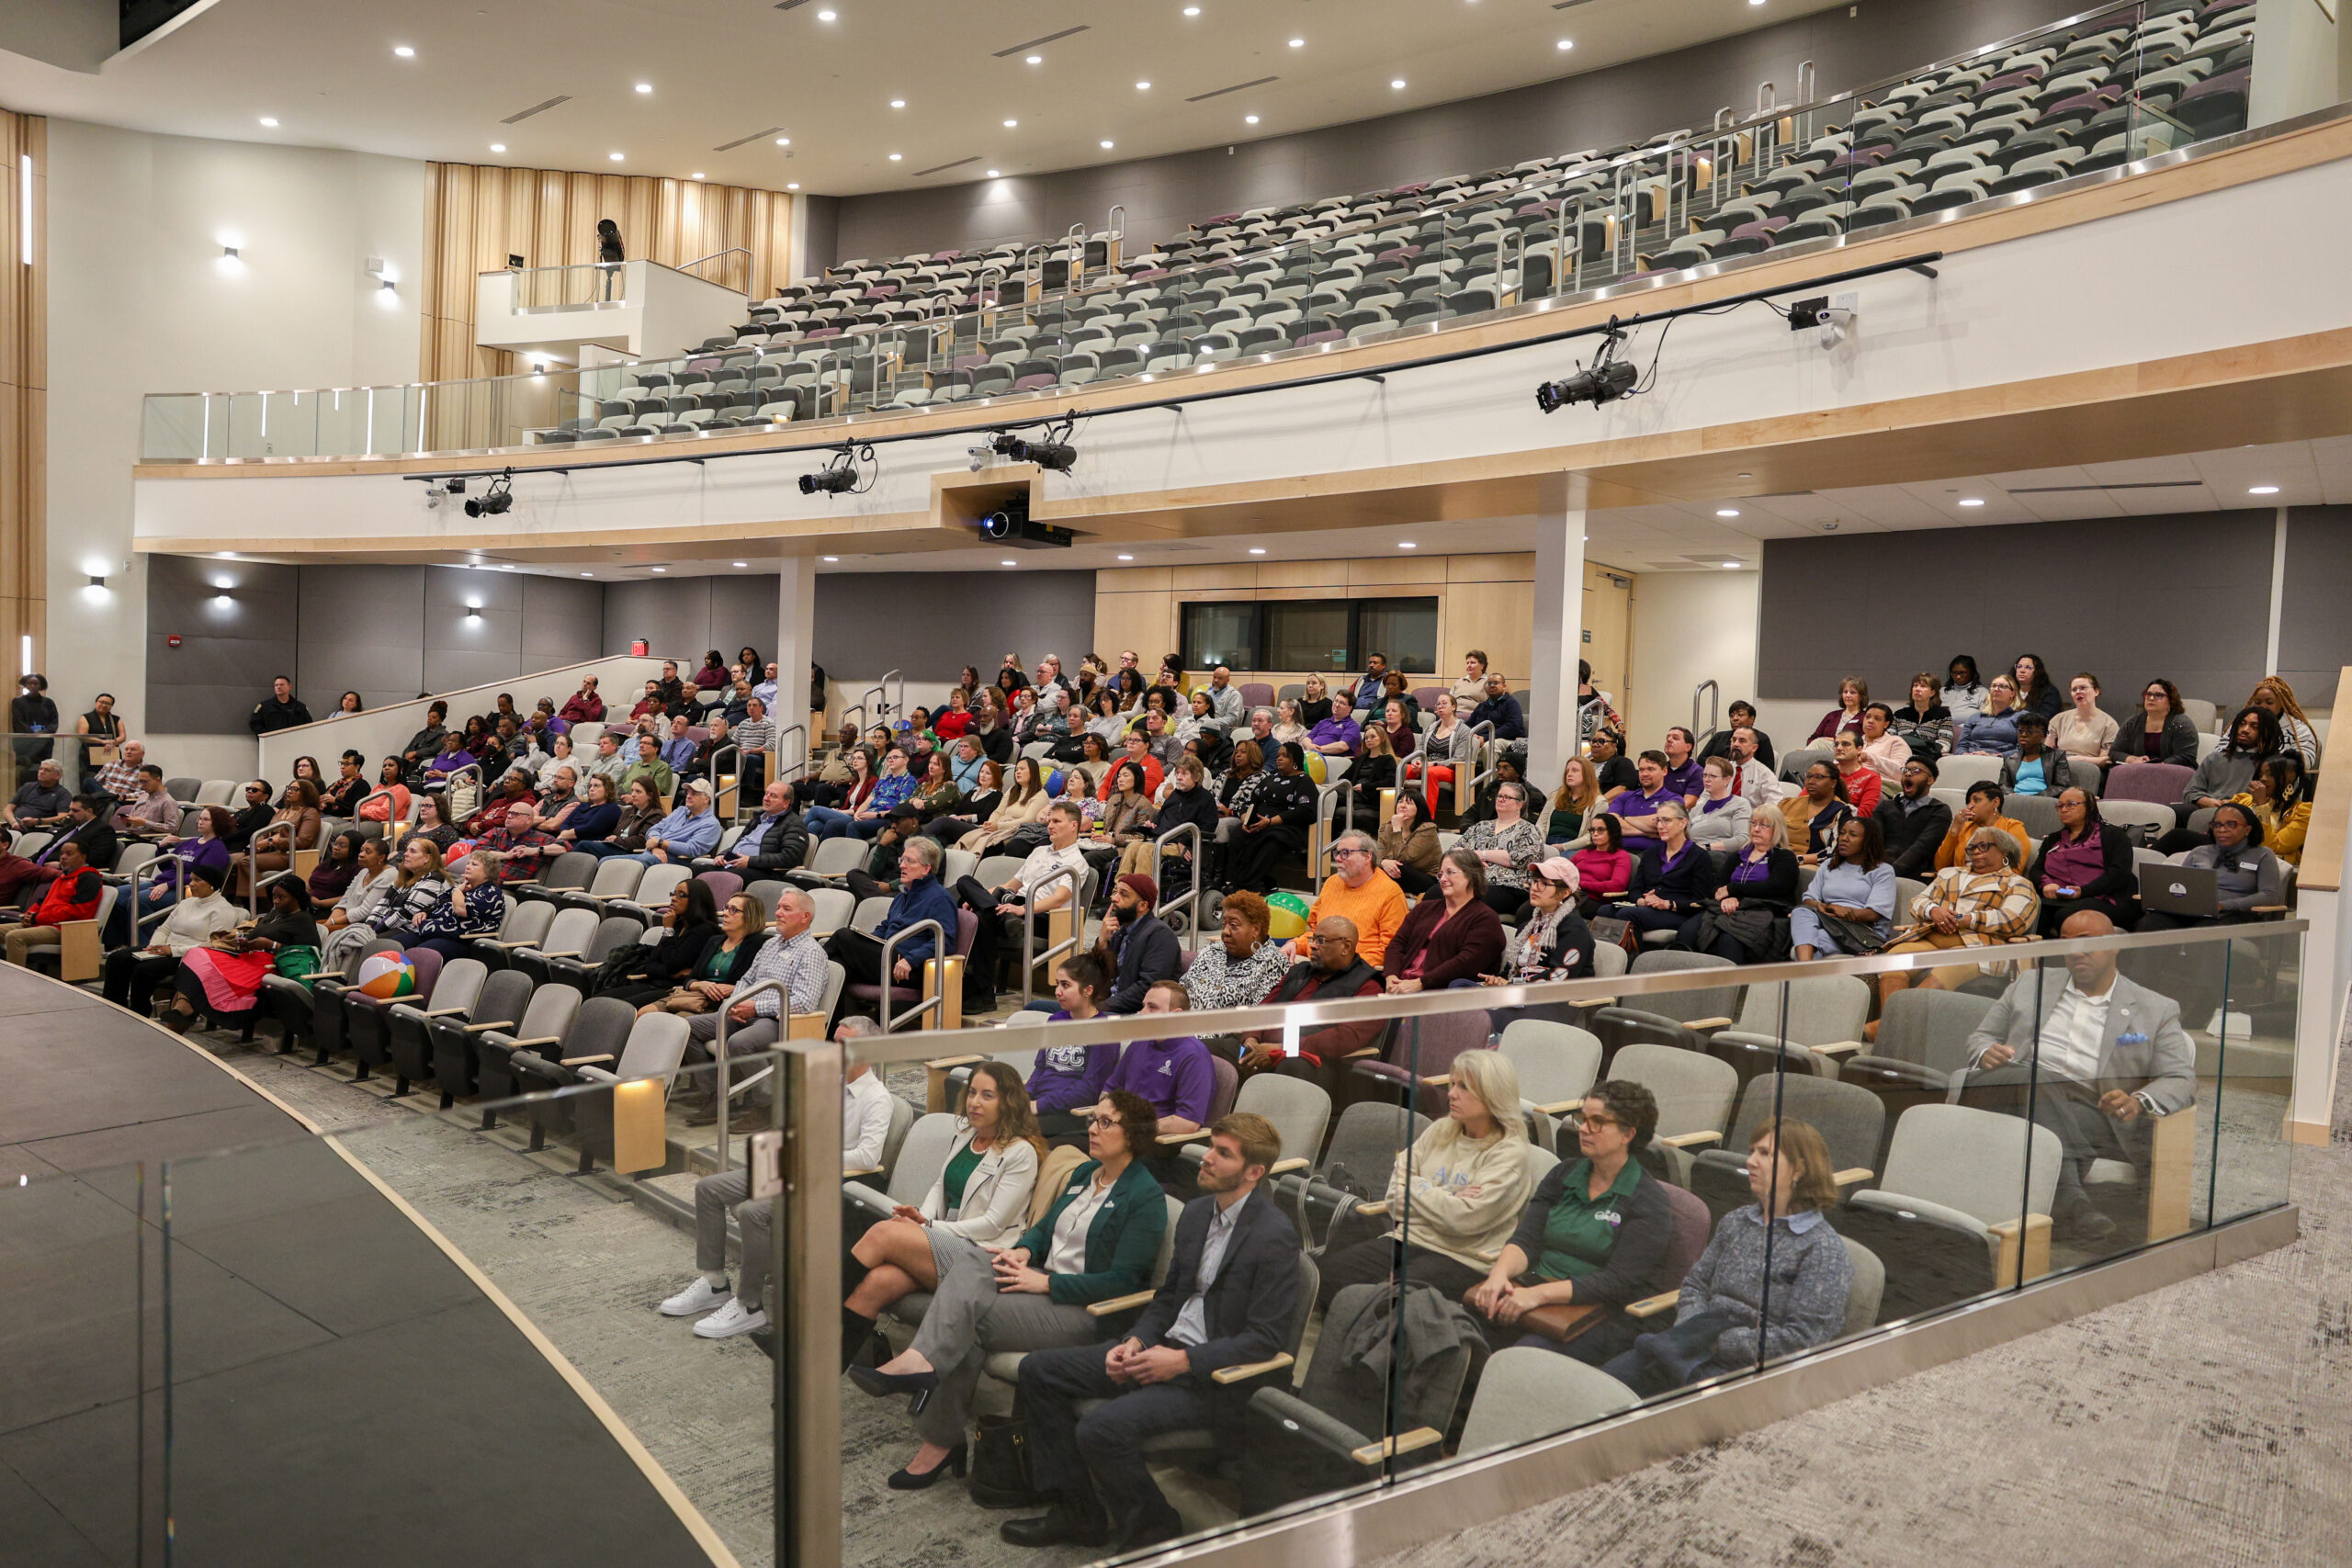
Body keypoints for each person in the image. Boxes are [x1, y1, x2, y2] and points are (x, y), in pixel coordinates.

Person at [851, 1089, 1167, 1517]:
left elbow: (1122, 1283)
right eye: (1093, 1118)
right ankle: (929, 1392)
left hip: (1082, 1309)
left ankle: (938, 1434)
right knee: (976, 1260)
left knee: (970, 1320)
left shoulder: (1144, 1197)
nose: (1093, 1127)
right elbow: (1043, 1230)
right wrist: (1023, 1251)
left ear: (1133, 1134)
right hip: (1037, 1281)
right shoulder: (1085, 1175)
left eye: (1105, 1122)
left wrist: (1046, 1284)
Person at [1005, 1111, 1296, 1553]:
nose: (1206, 1158)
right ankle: (1078, 1513)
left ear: (1254, 1172)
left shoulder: (1274, 1236)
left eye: (1223, 1153)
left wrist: (1182, 1362)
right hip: (1163, 1348)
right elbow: (1167, 1298)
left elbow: (1265, 1338)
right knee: (1038, 1371)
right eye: (1211, 1147)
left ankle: (1155, 1532)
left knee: (1101, 1429)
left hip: (1213, 1379)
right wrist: (1135, 1341)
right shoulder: (1198, 1215)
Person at [839, 1060, 1046, 1458]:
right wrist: (923, 1216)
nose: (975, 1103)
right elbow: (940, 1186)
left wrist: (928, 1227)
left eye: (988, 1095)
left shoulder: (1021, 1152)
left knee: (882, 1232)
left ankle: (809, 1321)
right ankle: (814, 1381)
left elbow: (991, 1224)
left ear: (1009, 1103)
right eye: (971, 1093)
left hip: (980, 1256)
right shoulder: (966, 1136)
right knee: (878, 1282)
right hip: (943, 1240)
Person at [1960, 911, 2195, 1244]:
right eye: (2068, 944)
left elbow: (2180, 1078)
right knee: (2035, 1081)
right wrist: (1986, 1051)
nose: (2076, 952)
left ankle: (2040, 1202)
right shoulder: (2031, 982)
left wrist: (2138, 1099)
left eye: (2088, 943)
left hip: (2088, 1105)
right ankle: (2072, 1203)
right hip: (2005, 1082)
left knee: (2033, 1106)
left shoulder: (2156, 1008)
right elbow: (1981, 1037)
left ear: (2115, 946)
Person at [662, 1019, 891, 1340]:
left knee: (754, 1211)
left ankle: (749, 1306)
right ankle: (715, 1283)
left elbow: (869, 1156)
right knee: (709, 1188)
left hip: (825, 1182)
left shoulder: (877, 1098)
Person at [1600, 1118, 1854, 1396]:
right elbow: (1695, 1285)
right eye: (1752, 1151)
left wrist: (1719, 1342)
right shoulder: (1736, 1222)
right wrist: (1693, 1328)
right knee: (1601, 1390)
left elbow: (1804, 1339)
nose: (1751, 1162)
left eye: (1765, 1154)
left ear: (1800, 1170)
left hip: (1749, 1373)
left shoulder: (1823, 1250)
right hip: (1688, 1344)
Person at [1467, 1079, 1675, 1362]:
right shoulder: (1563, 1174)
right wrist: (1499, 1275)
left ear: (1628, 1134)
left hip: (1600, 1314)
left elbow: (1615, 1283)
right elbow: (1527, 1240)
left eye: (1598, 1121)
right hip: (1534, 1290)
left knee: (1525, 1355)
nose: (1584, 1129)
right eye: (1582, 1119)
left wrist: (1538, 1296)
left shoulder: (1649, 1202)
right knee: (1459, 1329)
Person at [675, 887, 831, 1126]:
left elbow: (804, 1002)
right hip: (745, 1012)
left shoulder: (811, 952)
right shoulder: (770, 944)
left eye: (786, 909)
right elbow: (746, 980)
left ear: (804, 917)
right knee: (685, 1029)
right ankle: (717, 1096)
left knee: (741, 1043)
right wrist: (735, 1004)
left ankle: (767, 1106)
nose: (778, 912)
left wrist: (755, 1008)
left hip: (779, 1020)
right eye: (778, 907)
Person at [1873, 828, 2041, 1009]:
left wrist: (1966, 919)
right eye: (1972, 848)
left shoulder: (2017, 883)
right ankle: (1894, 1026)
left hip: (1979, 947)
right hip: (1930, 938)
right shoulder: (1950, 873)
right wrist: (1934, 911)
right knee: (1893, 962)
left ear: (2005, 852)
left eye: (1983, 846)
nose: (1975, 851)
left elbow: (2013, 919)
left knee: (1949, 968)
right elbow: (1917, 901)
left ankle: (1886, 1026)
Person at [954, 799, 1090, 1006]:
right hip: (1012, 906)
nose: (1050, 825)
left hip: (1043, 916)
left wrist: (1022, 909)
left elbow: (1059, 899)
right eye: (1050, 820)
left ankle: (981, 994)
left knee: (982, 918)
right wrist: (979, 899)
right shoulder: (1039, 851)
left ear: (1073, 826)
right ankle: (983, 993)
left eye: (1057, 821)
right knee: (965, 885)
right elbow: (1010, 885)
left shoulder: (1077, 862)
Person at [160, 875, 321, 1030]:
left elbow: (311, 951)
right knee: (196, 955)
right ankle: (182, 1006)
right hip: (247, 956)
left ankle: (182, 1008)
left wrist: (272, 945)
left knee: (199, 976)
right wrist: (244, 941)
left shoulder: (303, 919)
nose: (276, 901)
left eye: (282, 897)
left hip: (268, 964)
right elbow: (255, 934)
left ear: (296, 897)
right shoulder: (274, 914)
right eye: (274, 896)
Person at [103, 864, 237, 1012]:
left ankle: (139, 1013)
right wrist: (155, 945)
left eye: (197, 880)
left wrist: (172, 951)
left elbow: (211, 945)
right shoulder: (187, 903)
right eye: (191, 879)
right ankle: (115, 1008)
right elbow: (164, 928)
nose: (191, 883)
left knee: (143, 970)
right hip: (165, 949)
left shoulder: (223, 910)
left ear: (212, 884)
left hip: (187, 956)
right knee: (116, 959)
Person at [1676, 809, 1799, 964]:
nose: (1755, 829)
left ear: (1777, 829)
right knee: (1687, 931)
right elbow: (1718, 884)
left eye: (1763, 825)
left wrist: (1733, 890)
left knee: (1728, 938)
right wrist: (1728, 896)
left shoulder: (1784, 857)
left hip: (1764, 909)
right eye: (1753, 823)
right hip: (1728, 906)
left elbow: (1775, 887)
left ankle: (1733, 986)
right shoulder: (1739, 855)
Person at [2137, 803, 2284, 931]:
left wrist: (2225, 905)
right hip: (2193, 911)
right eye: (2217, 825)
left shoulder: (2262, 855)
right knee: (2151, 923)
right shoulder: (2199, 852)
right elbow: (2182, 885)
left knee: (2205, 930)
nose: (2222, 829)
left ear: (2247, 829)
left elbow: (2270, 896)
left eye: (2231, 824)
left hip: (2235, 915)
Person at [1385, 849, 1506, 995]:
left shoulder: (1486, 919)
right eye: (1440, 874)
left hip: (1444, 994)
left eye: (1450, 872)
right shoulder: (1423, 908)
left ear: (1471, 875)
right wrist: (1391, 976)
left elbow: (1464, 963)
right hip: (1403, 986)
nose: (1442, 879)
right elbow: (1397, 944)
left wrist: (1420, 983)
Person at [1027, 953, 1121, 1140]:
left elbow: (1088, 1091)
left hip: (1072, 1115)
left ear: (1088, 990)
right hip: (1040, 1105)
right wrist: (1023, 1097)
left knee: (1011, 1129)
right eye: (1057, 984)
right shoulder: (1055, 1020)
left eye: (1065, 985)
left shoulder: (1104, 1031)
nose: (1057, 992)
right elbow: (1040, 1069)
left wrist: (1038, 1106)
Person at [2159, 707, 2279, 851]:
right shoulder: (2215, 758)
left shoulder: (2271, 765)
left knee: (2178, 837)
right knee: (2171, 812)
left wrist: (2233, 804)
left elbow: (2271, 802)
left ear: (2267, 732)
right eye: (2242, 724)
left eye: (2254, 727)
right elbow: (2190, 791)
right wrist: (2208, 801)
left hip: (2243, 815)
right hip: (2208, 806)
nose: (2245, 729)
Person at [594, 880, 723, 1007]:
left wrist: (668, 930)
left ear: (696, 900)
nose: (674, 899)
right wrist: (672, 973)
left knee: (618, 1007)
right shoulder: (677, 925)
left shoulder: (704, 930)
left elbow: (673, 962)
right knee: (598, 1000)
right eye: (673, 893)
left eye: (681, 895)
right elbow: (651, 964)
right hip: (655, 983)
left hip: (674, 990)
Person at [1288, 829, 1408, 966]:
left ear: (1367, 857)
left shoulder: (1391, 894)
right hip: (1319, 964)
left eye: (1345, 853)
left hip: (1358, 972)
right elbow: (1315, 933)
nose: (1338, 858)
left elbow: (1391, 951)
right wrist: (1295, 944)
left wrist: (1344, 965)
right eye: (1337, 853)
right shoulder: (1332, 882)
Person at [2027, 788, 2137, 933]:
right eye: (2059, 806)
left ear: (2089, 806)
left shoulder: (2113, 835)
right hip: (2061, 897)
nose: (2063, 810)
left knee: (2066, 916)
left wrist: (2082, 891)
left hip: (2103, 898)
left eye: (2071, 804)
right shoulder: (2054, 839)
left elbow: (2119, 874)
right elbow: (2036, 869)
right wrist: (2047, 884)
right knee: (2031, 911)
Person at [1788, 816, 1894, 961]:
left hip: (1861, 931)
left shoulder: (1882, 871)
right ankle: (1805, 973)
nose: (1844, 838)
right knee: (1800, 911)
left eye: (1853, 835)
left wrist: (1845, 912)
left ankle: (1802, 974)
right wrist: (1829, 907)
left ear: (1867, 841)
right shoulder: (1829, 865)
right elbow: (1809, 899)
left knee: (1811, 944)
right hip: (1828, 921)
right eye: (1842, 833)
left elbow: (1873, 915)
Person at [1600, 801, 1712, 941]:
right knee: (1604, 911)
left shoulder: (1699, 856)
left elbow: (1701, 900)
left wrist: (1667, 904)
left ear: (1683, 823)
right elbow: (1635, 890)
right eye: (1658, 820)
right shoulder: (1651, 853)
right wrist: (1644, 901)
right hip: (1648, 907)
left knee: (1627, 914)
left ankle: (1631, 958)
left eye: (1666, 820)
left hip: (1677, 913)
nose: (1660, 826)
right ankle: (1608, 958)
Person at [1482, 856, 1594, 986]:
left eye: (1545, 884)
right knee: (1461, 985)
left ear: (1565, 893)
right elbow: (1509, 972)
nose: (1534, 888)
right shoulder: (1528, 926)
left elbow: (1558, 978)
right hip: (1519, 994)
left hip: (1554, 999)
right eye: (1535, 881)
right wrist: (1497, 981)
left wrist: (1510, 985)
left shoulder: (1574, 929)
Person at [1222, 741, 1315, 896]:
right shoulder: (1270, 779)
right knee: (1238, 833)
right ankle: (1243, 881)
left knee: (1271, 840)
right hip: (1261, 823)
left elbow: (1306, 811)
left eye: (1285, 756)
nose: (1279, 759)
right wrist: (1246, 818)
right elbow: (1250, 802)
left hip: (1288, 828)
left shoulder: (1304, 781)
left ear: (1295, 761)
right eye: (1278, 756)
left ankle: (1244, 886)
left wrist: (1271, 821)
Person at [1, 839, 102, 966]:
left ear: (83, 856)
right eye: (62, 854)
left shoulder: (89, 878)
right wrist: (29, 915)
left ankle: (15, 981)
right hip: (43, 923)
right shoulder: (62, 878)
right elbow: (41, 903)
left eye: (69, 854)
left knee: (15, 937)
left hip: (65, 928)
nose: (63, 857)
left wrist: (37, 918)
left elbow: (75, 911)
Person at [1094, 874, 1183, 1016]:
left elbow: (1147, 989)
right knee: (1046, 1009)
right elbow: (1097, 976)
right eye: (1115, 892)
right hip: (1108, 1007)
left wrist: (1097, 1008)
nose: (1114, 898)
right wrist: (1102, 943)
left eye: (1123, 894)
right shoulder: (1119, 931)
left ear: (1143, 905)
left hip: (1133, 1014)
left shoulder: (1159, 935)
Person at [399, 850, 506, 963]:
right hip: (432, 932)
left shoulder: (491, 892)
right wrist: (425, 913)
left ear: (488, 873)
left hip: (462, 941)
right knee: (395, 946)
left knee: (418, 955)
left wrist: (457, 889)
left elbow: (461, 909)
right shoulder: (464, 889)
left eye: (474, 864)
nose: (468, 866)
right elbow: (438, 903)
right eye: (468, 863)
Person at [1458, 781, 1544, 918]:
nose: (1501, 800)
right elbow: (1454, 852)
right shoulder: (1480, 826)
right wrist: (1474, 859)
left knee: (1470, 898)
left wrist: (1481, 854)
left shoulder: (1528, 830)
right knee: (1436, 893)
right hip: (1472, 879)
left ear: (1520, 804)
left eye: (1508, 797)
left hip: (1509, 886)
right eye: (1499, 796)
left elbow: (1520, 858)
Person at [1867, 755, 1950, 882]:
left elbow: (1923, 847)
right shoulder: (1885, 806)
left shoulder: (1939, 810)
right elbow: (1873, 841)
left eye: (1916, 771)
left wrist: (1890, 873)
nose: (1908, 774)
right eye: (1905, 770)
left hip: (1915, 877)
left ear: (1930, 780)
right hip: (1877, 871)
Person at [614, 779, 724, 866]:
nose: (688, 796)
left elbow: (692, 849)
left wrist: (661, 843)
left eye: (694, 793)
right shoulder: (680, 811)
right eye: (687, 792)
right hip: (652, 854)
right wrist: (655, 846)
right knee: (606, 862)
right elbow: (653, 829)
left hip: (677, 862)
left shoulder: (711, 824)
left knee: (639, 862)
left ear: (707, 799)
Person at [1934, 779, 2029, 870]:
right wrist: (1954, 829)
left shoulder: (2012, 827)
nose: (1970, 806)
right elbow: (1940, 866)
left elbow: (2016, 868)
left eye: (1976, 800)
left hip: (1996, 883)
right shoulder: (1964, 828)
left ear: (1995, 802)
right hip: (1961, 881)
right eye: (1968, 802)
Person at [1407, 691, 1476, 816]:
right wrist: (1417, 762)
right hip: (1426, 765)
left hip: (1449, 769)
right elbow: (1420, 748)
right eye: (1438, 704)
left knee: (1430, 773)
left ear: (1454, 707)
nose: (1440, 706)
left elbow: (1459, 758)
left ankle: (1426, 819)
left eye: (1444, 703)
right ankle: (1397, 814)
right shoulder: (1431, 727)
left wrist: (1434, 764)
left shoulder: (1463, 730)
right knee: (1401, 770)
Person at [2233, 757, 2310, 866]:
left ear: (2290, 777)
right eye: (2261, 774)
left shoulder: (2302, 812)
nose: (2263, 779)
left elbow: (2271, 847)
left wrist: (2262, 806)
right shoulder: (2243, 801)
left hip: (2269, 868)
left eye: (2271, 774)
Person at [1775, 761, 1853, 867]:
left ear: (1833, 783)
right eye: (1809, 776)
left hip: (1814, 865)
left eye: (1818, 777)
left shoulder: (1844, 811)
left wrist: (1797, 859)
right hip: (1778, 860)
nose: (1811, 781)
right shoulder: (1788, 804)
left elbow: (1836, 852)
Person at [2108, 677, 2197, 768]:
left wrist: (2157, 767)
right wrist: (2133, 759)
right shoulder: (2132, 723)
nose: (2151, 698)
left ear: (2171, 700)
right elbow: (2114, 752)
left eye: (2158, 695)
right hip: (2139, 772)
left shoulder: (2182, 724)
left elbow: (2186, 756)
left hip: (2173, 773)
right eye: (2148, 694)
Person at [1609, 750, 1682, 856]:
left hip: (1654, 856)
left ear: (1664, 771)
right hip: (1617, 853)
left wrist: (1625, 818)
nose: (1644, 774)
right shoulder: (1625, 797)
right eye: (1641, 769)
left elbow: (1660, 825)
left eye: (1651, 769)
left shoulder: (1673, 800)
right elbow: (1610, 825)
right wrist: (1646, 832)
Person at [1377, 789, 1442, 897]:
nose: (1403, 806)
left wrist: (1397, 828)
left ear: (1419, 808)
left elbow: (1404, 858)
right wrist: (1383, 862)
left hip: (1427, 879)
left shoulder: (1427, 829)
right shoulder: (1386, 828)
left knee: (1399, 867)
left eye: (1409, 803)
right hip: (1394, 874)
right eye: (1400, 802)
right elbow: (1378, 856)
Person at [2245, 676, 2321, 768]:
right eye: (2257, 702)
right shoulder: (2242, 724)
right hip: (2242, 777)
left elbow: (2305, 762)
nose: (2262, 707)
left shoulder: (2298, 729)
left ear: (2281, 703)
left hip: (2279, 778)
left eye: (2269, 703)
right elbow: (2223, 750)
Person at [1996, 712, 2074, 797]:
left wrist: (2034, 798)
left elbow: (2062, 786)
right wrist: (2011, 794)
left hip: (2043, 801)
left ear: (2043, 735)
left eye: (2029, 731)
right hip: (2016, 801)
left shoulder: (2056, 756)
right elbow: (2003, 785)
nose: (2023, 735)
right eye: (2020, 731)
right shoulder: (2010, 759)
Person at [1571, 812, 1634, 915]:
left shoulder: (1621, 856)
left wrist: (1581, 884)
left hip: (1596, 901)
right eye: (1592, 830)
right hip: (1571, 894)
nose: (1595, 834)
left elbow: (1617, 885)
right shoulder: (1582, 853)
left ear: (1612, 831)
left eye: (1600, 830)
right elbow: (1562, 873)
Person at [2050, 673, 2119, 766]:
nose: (2078, 692)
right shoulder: (2058, 719)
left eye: (2083, 688)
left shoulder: (2109, 724)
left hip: (2089, 769)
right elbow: (2047, 752)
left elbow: (2104, 760)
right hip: (2060, 766)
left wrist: (2077, 759)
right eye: (2074, 689)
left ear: (2096, 692)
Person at [1685, 757, 1752, 849]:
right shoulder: (1696, 809)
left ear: (1726, 780)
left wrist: (1707, 847)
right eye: (1705, 775)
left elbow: (1742, 839)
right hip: (1694, 854)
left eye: (1712, 776)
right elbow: (1684, 838)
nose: (1707, 779)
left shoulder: (1739, 804)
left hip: (1719, 855)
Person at [1951, 674, 2024, 756]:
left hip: (2002, 761)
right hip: (1971, 758)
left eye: (2002, 686)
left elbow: (2023, 749)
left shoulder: (2022, 717)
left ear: (2012, 693)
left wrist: (1996, 756)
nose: (1996, 689)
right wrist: (1966, 754)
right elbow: (1961, 745)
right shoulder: (1975, 717)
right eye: (1993, 686)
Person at [1888, 674, 1953, 762]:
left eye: (1923, 686)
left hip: (1928, 760)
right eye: (1915, 686)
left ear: (1932, 693)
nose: (1917, 689)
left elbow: (1944, 745)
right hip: (1900, 758)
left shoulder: (1942, 715)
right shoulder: (1899, 714)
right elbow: (1889, 740)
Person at [1698, 699, 1774, 772]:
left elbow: (1767, 768)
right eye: (1732, 716)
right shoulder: (1719, 736)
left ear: (1752, 719)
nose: (1735, 718)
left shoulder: (1761, 739)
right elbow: (1700, 759)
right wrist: (1723, 766)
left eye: (1740, 715)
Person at [1545, 754, 1602, 849]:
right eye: (1567, 771)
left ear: (1587, 774)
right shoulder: (1555, 796)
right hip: (1547, 842)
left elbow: (1591, 835)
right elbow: (1541, 825)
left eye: (1575, 770)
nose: (1569, 774)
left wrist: (1563, 847)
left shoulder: (1599, 802)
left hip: (1573, 846)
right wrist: (1540, 844)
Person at [74, 691, 125, 793]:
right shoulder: (86, 717)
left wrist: (112, 743)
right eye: (101, 702)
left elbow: (122, 737)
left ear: (111, 706)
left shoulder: (116, 719)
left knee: (112, 781)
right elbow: (82, 736)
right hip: (90, 757)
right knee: (90, 781)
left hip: (111, 755)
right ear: (96, 702)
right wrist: (102, 742)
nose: (104, 705)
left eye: (108, 703)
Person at [113, 764, 180, 839]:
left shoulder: (168, 801)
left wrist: (145, 823)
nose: (142, 785)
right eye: (140, 782)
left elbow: (173, 829)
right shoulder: (143, 796)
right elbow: (133, 825)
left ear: (157, 780)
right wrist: (128, 822)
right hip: (131, 835)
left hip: (149, 839)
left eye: (145, 782)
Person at [6, 757, 71, 831]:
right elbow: (8, 809)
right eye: (40, 769)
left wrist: (38, 821)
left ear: (58, 775)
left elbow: (63, 816)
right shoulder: (27, 787)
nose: (41, 772)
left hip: (38, 830)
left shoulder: (62, 794)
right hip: (13, 826)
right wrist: (13, 823)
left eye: (47, 770)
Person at [9, 673, 55, 772]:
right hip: (25, 743)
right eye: (30, 683)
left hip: (44, 743)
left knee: (45, 771)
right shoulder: (18, 702)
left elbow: (54, 722)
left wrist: (44, 735)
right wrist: (33, 735)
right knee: (25, 772)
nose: (33, 686)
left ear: (41, 685)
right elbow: (18, 721)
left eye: (36, 684)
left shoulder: (48, 702)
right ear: (25, 685)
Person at [1832, 731, 1882, 817]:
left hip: (1850, 824)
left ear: (1859, 750)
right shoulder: (1825, 772)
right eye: (1836, 744)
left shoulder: (1871, 777)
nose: (1839, 748)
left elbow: (1866, 812)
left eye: (1845, 744)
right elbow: (1803, 801)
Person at [246, 674, 312, 735]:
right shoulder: (265, 706)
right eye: (276, 685)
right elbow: (255, 724)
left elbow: (309, 725)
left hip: (294, 743)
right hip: (272, 743)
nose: (278, 687)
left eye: (281, 685)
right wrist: (267, 736)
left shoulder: (300, 707)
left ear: (289, 687)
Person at [1807, 676, 1867, 742]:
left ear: (1861, 696)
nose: (1848, 695)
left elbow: (1863, 741)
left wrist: (1834, 740)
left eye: (1852, 692)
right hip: (1823, 750)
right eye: (1845, 692)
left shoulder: (1865, 717)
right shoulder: (1832, 716)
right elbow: (1812, 739)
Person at [1469, 672, 1525, 743]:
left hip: (1506, 739)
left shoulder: (1511, 703)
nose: (1492, 686)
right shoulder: (1482, 706)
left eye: (1496, 683)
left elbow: (1512, 727)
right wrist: (1473, 734)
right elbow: (1469, 724)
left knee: (1488, 747)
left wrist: (1486, 738)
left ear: (1504, 686)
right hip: (1481, 739)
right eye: (1489, 683)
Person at [1587, 728, 1638, 798]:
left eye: (1601, 741)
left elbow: (1623, 789)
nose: (1595, 744)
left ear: (1614, 747)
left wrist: (1599, 804)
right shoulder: (1585, 764)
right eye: (1594, 741)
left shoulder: (1622, 762)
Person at [1659, 727, 1704, 804]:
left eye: (1675, 738)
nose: (1669, 740)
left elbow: (1688, 803)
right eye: (1668, 737)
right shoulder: (1661, 768)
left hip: (1678, 813)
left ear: (1688, 747)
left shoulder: (1696, 771)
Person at [2011, 653, 2063, 720]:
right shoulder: (2009, 689)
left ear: (2037, 671)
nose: (2022, 671)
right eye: (2019, 667)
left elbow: (2045, 718)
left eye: (2028, 667)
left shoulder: (2049, 692)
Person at [1942, 655, 1988, 725]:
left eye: (1962, 673)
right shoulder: (1941, 691)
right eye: (1954, 673)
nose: (1958, 676)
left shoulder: (1982, 693)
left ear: (1972, 673)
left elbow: (1986, 720)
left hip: (1968, 732)